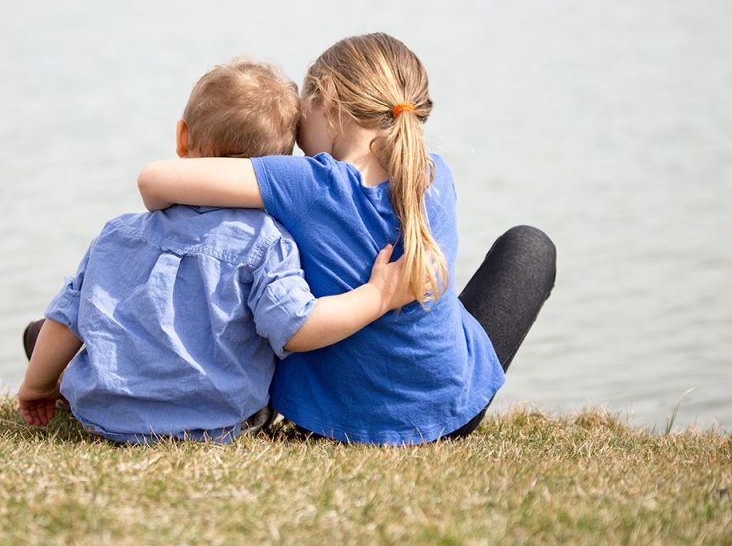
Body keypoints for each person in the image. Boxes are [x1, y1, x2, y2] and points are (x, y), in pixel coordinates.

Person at [137, 33, 557, 445]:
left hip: (326, 422)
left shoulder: (305, 182)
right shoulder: (434, 176)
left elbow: (154, 181)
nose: (299, 146)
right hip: (450, 415)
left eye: (302, 120)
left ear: (329, 100)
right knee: (529, 246)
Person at [18, 59, 414, 444]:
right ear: (281, 164)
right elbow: (294, 327)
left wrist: (37, 387)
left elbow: (65, 319)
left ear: (182, 138)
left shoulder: (117, 233)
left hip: (105, 416)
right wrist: (376, 295)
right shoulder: (269, 242)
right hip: (218, 423)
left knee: (58, 326)